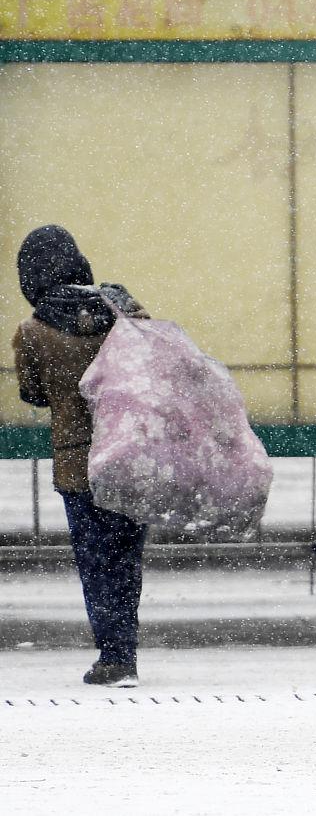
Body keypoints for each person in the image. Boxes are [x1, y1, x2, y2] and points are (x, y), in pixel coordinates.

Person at [11, 224, 150, 688]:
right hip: (131, 456)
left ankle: (115, 658)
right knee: (127, 557)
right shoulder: (126, 310)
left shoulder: (33, 332)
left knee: (96, 561)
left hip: (79, 465)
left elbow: (33, 393)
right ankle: (126, 649)